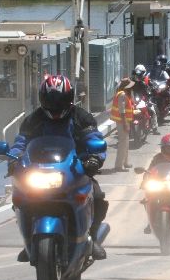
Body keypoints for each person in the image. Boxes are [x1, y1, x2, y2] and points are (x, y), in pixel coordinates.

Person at [9, 75, 109, 260]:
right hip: (38, 170)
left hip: (75, 168)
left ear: (69, 98)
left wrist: (95, 158)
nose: (55, 105)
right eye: (51, 100)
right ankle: (29, 241)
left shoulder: (81, 117)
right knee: (19, 198)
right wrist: (13, 159)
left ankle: (92, 238)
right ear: (43, 99)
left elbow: (94, 139)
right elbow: (21, 142)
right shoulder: (34, 119)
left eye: (60, 100)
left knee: (97, 195)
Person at [110, 78, 135, 172]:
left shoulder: (124, 94)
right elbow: (122, 111)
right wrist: (125, 124)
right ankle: (118, 166)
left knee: (126, 143)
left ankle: (125, 162)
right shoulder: (122, 95)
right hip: (122, 121)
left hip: (124, 121)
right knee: (123, 143)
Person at [131, 63, 160, 134]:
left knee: (153, 111)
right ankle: (127, 129)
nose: (138, 75)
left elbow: (152, 87)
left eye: (140, 73)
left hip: (145, 99)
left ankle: (155, 128)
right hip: (133, 99)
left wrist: (154, 89)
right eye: (137, 73)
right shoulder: (131, 80)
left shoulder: (147, 80)